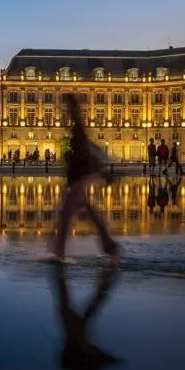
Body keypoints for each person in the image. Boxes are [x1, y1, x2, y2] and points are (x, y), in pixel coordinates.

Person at [52, 93, 119, 264]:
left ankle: (58, 255)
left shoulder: (78, 130)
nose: (63, 112)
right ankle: (109, 245)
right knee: (88, 212)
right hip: (78, 178)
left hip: (78, 179)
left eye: (66, 108)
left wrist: (71, 157)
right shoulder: (76, 130)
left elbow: (85, 154)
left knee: (66, 216)